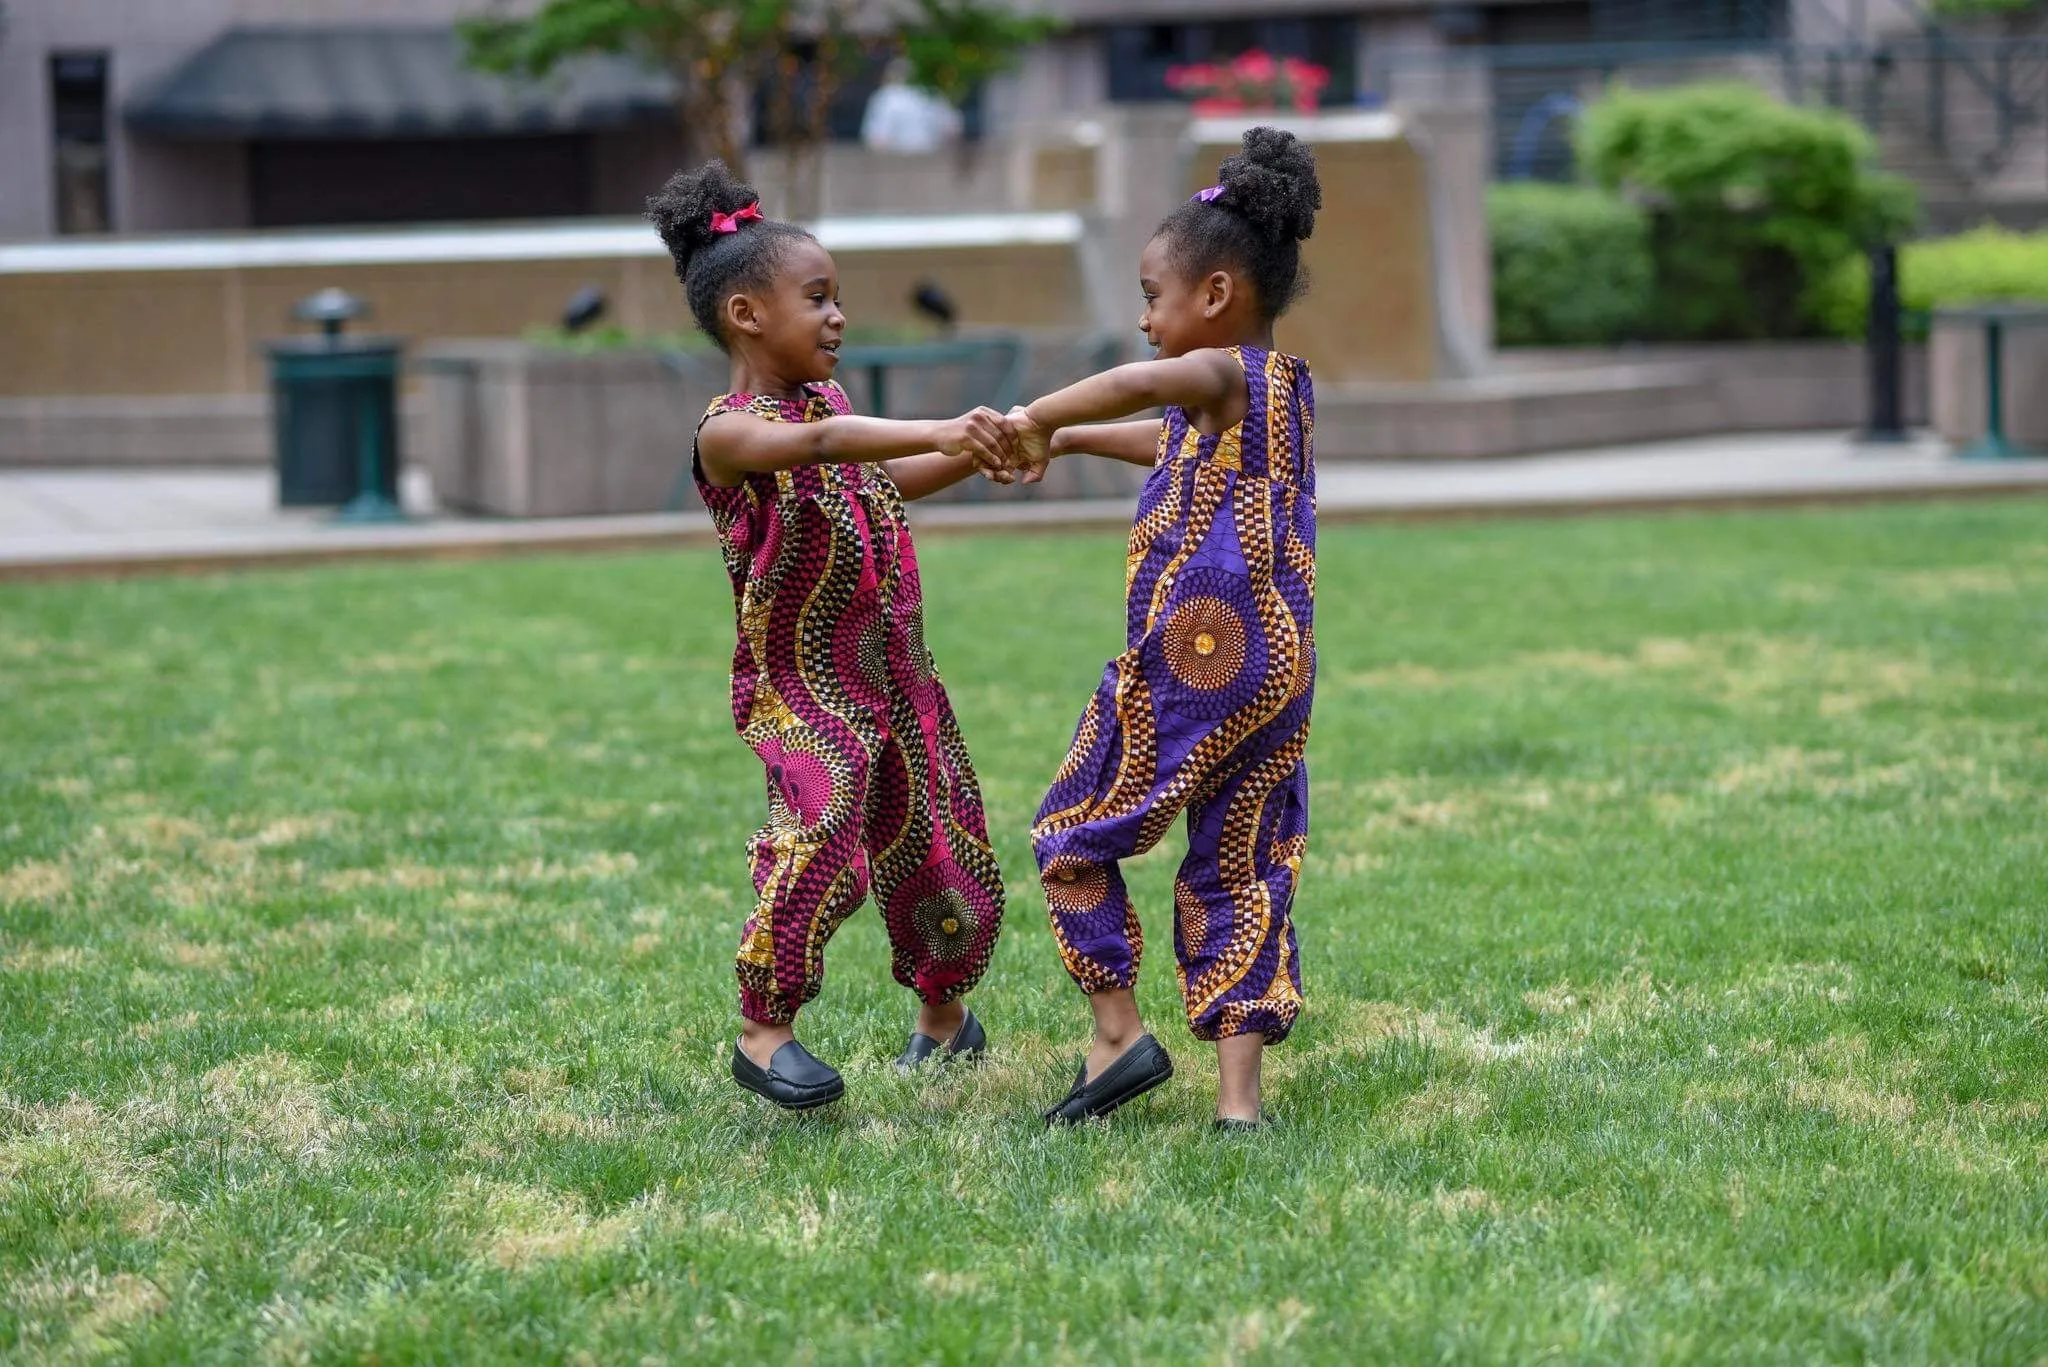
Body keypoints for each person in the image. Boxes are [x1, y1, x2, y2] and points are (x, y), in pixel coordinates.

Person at [648, 160, 1013, 1110]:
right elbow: (813, 454)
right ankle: (766, 1032)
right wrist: (938, 423)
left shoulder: (834, 408)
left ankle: (945, 1021)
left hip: (893, 672)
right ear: (746, 315)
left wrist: (972, 453)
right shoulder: (729, 430)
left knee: (934, 845)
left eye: (838, 298)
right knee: (821, 836)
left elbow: (876, 479)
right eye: (817, 298)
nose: (838, 316)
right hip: (805, 694)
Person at [1004, 128, 1322, 1130]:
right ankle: (1237, 1105)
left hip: (1199, 658)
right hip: (1277, 664)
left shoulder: (1215, 371)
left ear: (1216, 295)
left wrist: (1030, 413)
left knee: (1069, 830)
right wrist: (1062, 438)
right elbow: (1155, 431)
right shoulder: (1270, 388)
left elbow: (1139, 388)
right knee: (1241, 856)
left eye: (1151, 296)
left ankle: (1116, 1034)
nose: (1143, 319)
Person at [860, 58, 963, 155]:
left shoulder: (885, 97)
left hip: (897, 165)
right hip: (934, 163)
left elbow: (876, 140)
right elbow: (953, 132)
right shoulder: (933, 93)